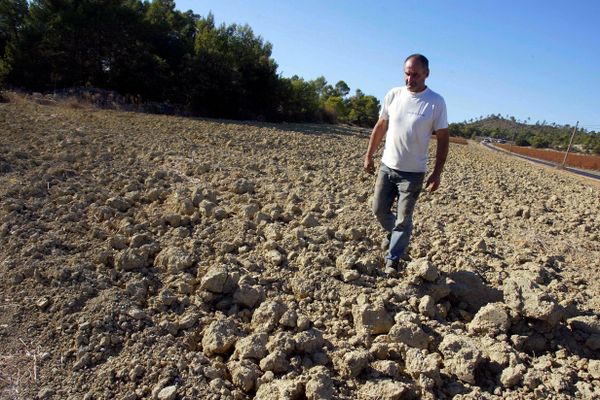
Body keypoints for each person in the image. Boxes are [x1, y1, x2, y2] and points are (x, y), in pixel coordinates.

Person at [363, 53, 449, 270]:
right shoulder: (393, 95)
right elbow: (381, 125)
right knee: (378, 210)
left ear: (426, 74)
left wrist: (437, 172)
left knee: (403, 220)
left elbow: (443, 139)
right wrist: (369, 155)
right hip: (387, 166)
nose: (410, 80)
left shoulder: (436, 102)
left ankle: (392, 260)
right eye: (407, 74)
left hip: (413, 174)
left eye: (416, 75)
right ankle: (397, 237)